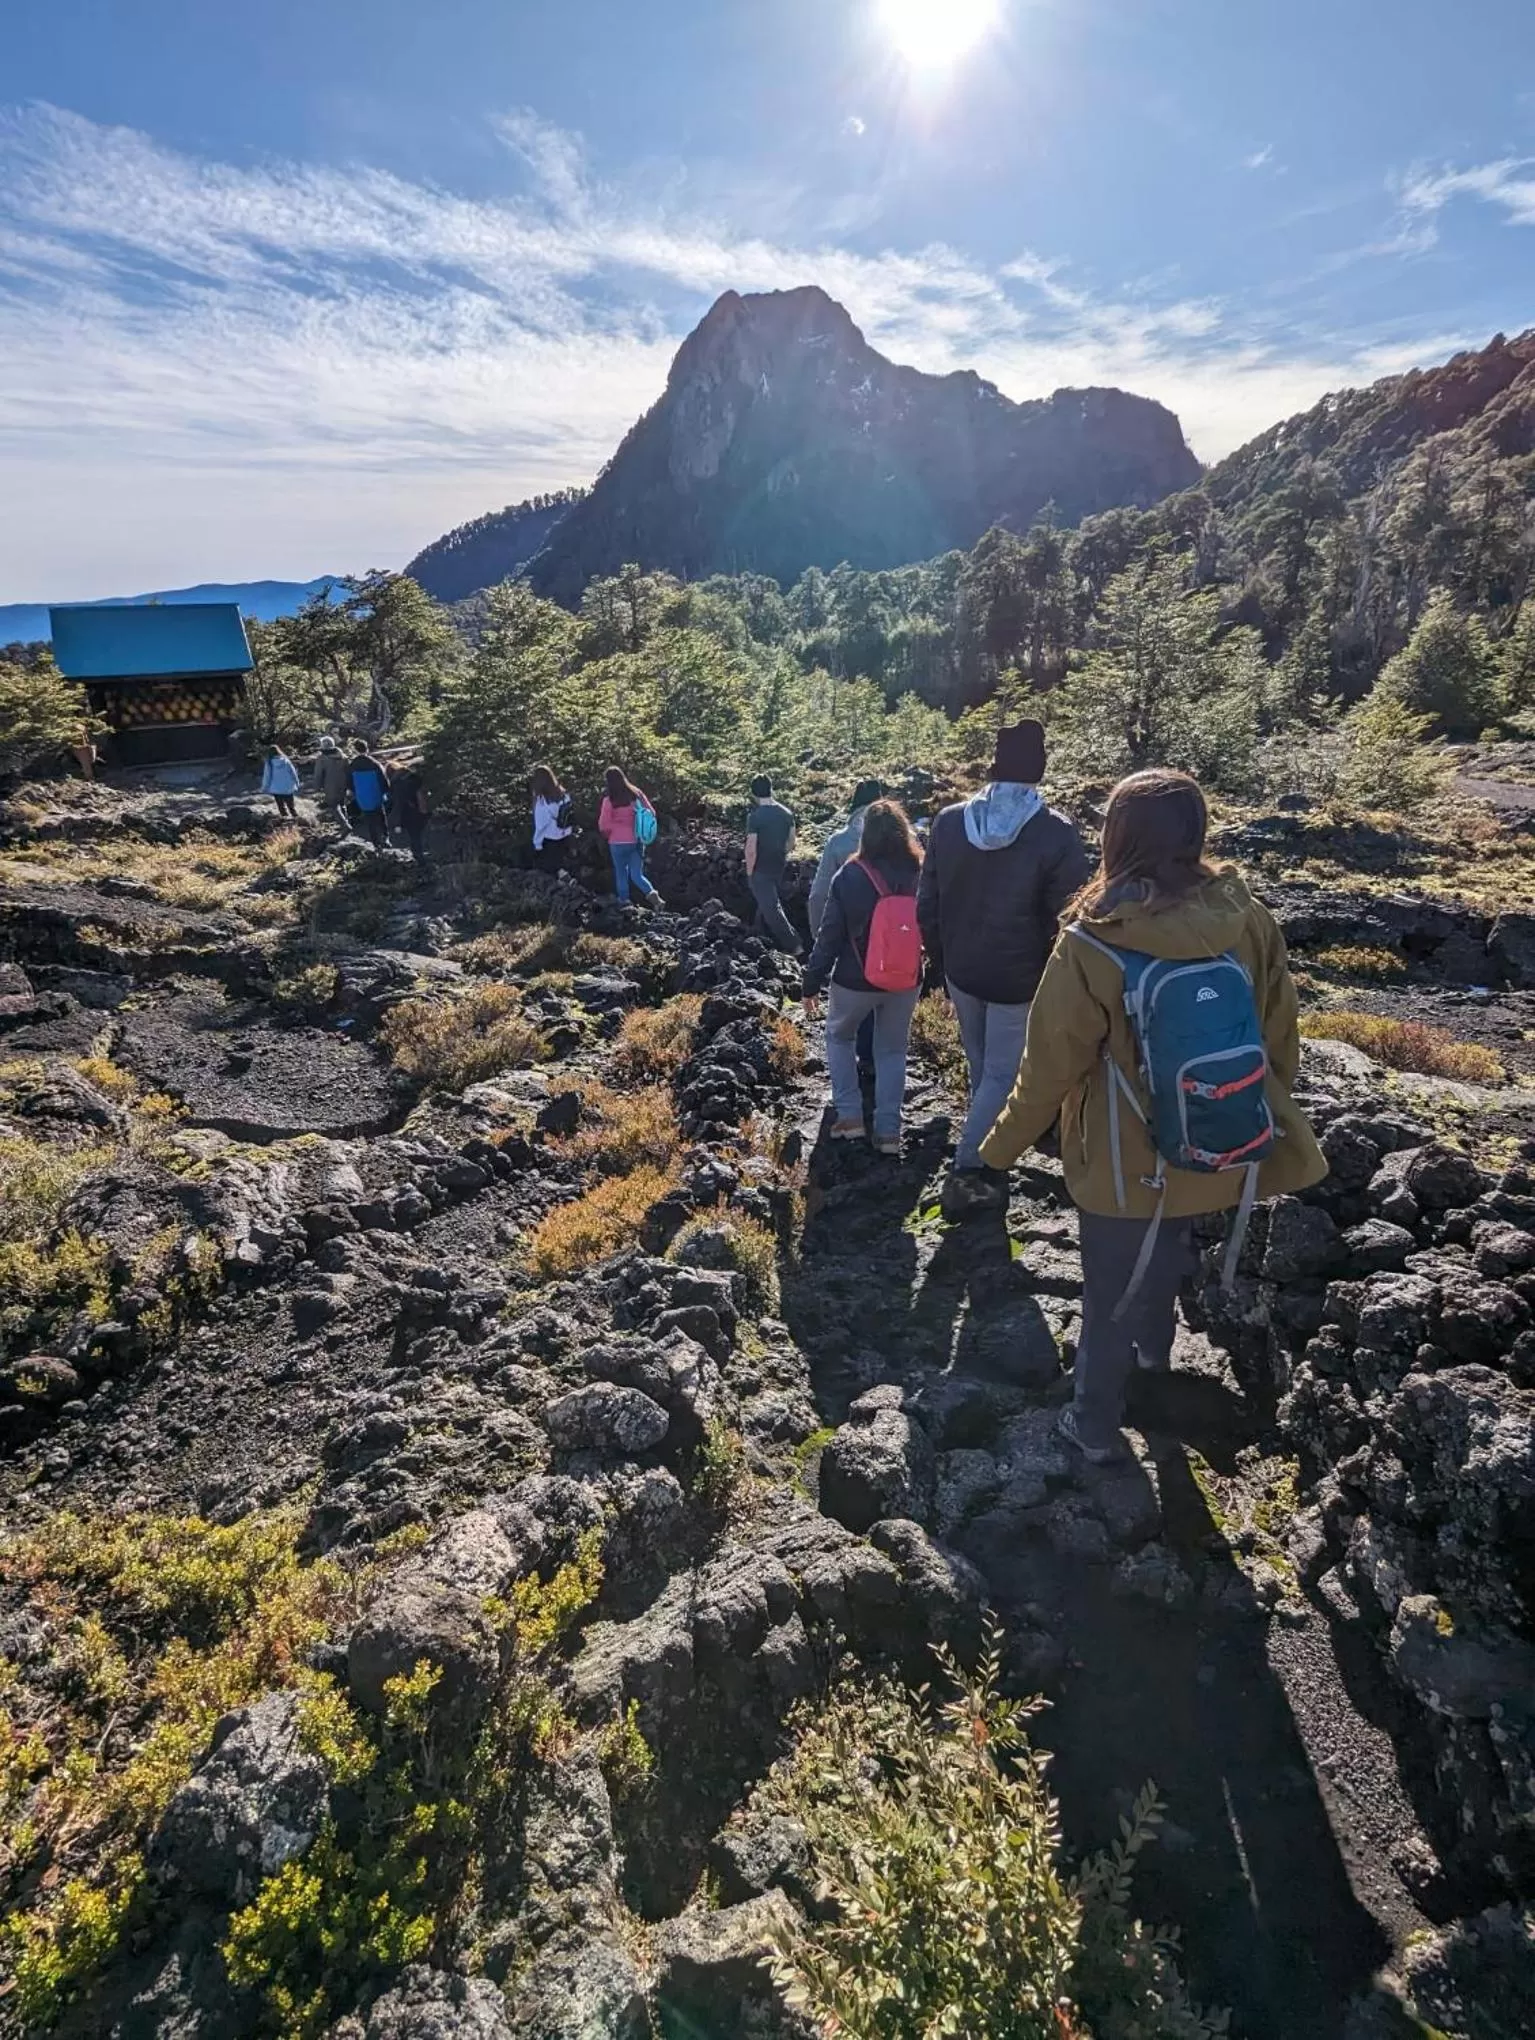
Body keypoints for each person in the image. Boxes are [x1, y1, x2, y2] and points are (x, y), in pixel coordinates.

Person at [980, 768, 1326, 1464]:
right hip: (1216, 1144)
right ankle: (1155, 1360)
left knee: (1107, 1290)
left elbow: (1047, 1069)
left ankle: (1094, 1427)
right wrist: (1253, 1109)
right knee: (1165, 1258)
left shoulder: (1092, 941)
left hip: (1121, 1161)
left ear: (1115, 838)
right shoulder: (1246, 919)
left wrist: (995, 1152)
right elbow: (1276, 1035)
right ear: (1197, 832)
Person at [917, 720, 1092, 1219]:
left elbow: (927, 899)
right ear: (1037, 773)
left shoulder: (949, 822)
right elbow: (1070, 915)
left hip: (961, 968)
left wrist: (940, 957)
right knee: (1002, 1072)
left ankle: (985, 1146)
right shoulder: (1054, 833)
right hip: (1020, 978)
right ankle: (971, 1167)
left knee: (983, 1068)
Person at [802, 798, 925, 1157]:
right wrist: (944, 980)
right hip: (905, 980)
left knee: (839, 1036)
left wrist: (811, 982)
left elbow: (829, 936)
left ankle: (850, 1116)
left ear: (865, 835)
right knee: (892, 1050)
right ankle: (889, 1131)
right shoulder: (921, 872)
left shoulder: (851, 875)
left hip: (855, 981)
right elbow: (937, 928)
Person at [807, 777, 885, 937]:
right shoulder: (905, 839)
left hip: (851, 935)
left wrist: (819, 938)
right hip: (894, 933)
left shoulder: (838, 843)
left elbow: (818, 895)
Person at [744, 773, 802, 955]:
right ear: (771, 788)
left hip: (760, 867)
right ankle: (757, 931)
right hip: (779, 864)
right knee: (767, 900)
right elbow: (792, 842)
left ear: (753, 793)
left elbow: (751, 848)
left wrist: (749, 871)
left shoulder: (755, 817)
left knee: (771, 907)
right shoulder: (786, 813)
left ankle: (795, 945)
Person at [598, 767, 663, 907]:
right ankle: (654, 897)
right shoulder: (636, 794)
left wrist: (609, 833)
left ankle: (624, 902)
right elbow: (651, 812)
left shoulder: (609, 799)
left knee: (621, 873)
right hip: (637, 839)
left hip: (617, 841)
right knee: (637, 874)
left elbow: (604, 825)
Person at [531, 764, 574, 873]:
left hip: (550, 839)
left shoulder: (542, 801)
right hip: (565, 835)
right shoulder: (563, 794)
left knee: (550, 870)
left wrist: (537, 844)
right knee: (563, 866)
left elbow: (541, 825)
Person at [347, 739, 391, 848]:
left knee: (370, 820)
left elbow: (349, 783)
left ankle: (376, 844)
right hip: (376, 795)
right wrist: (386, 791)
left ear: (355, 750)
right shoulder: (374, 763)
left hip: (362, 797)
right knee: (381, 816)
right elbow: (383, 780)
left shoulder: (352, 765)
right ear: (367, 749)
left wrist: (356, 793)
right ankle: (386, 838)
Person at [389, 758, 430, 865]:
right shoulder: (414, 778)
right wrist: (424, 810)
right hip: (417, 811)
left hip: (405, 813)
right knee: (421, 833)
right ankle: (422, 857)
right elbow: (421, 795)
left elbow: (396, 801)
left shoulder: (394, 783)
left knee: (414, 836)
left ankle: (418, 856)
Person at [260, 743, 300, 819]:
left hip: (276, 788)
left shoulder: (269, 763)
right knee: (291, 805)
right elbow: (293, 772)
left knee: (281, 806)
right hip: (288, 787)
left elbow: (267, 776)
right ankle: (296, 817)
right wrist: (297, 782)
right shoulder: (286, 760)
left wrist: (264, 787)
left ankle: (285, 819)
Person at [314, 735, 349, 815]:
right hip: (343, 784)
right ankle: (346, 820)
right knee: (342, 804)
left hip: (330, 786)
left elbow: (318, 775)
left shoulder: (322, 758)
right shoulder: (343, 757)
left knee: (334, 807)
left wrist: (317, 788)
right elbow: (348, 771)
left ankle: (345, 826)